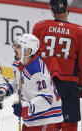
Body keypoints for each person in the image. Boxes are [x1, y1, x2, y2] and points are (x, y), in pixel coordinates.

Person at [0, 34, 63, 131]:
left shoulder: (36, 72)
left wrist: (27, 108)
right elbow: (20, 81)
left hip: (47, 117)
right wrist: (6, 89)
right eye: (15, 45)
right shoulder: (20, 62)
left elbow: (47, 99)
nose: (14, 48)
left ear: (28, 51)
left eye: (18, 47)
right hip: (33, 116)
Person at [32, 0, 82, 130]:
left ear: (52, 10)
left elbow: (31, 57)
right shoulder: (78, 31)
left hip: (46, 83)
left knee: (49, 121)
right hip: (69, 83)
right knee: (69, 124)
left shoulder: (39, 27)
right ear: (67, 10)